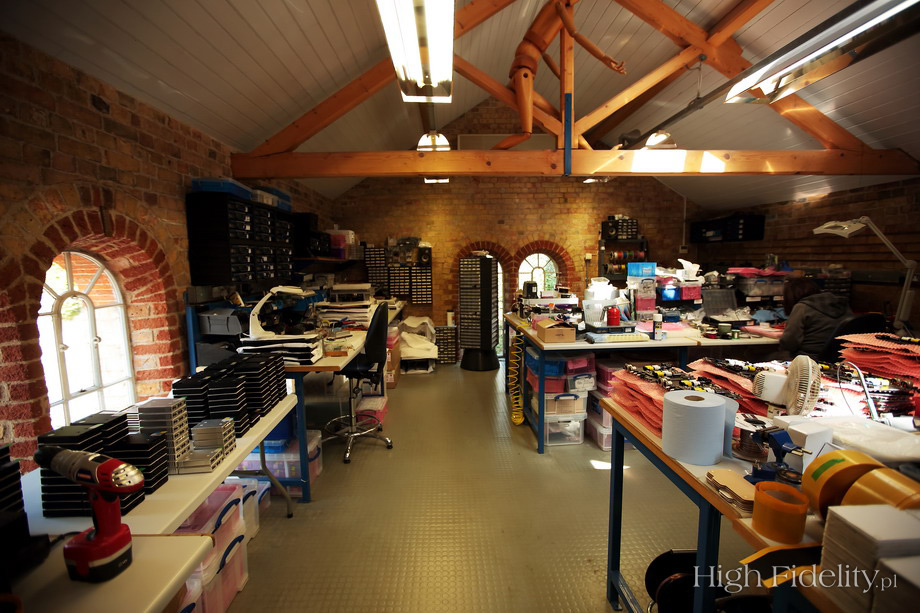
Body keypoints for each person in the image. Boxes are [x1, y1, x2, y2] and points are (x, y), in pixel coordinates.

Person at [779, 278, 852, 358]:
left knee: (771, 356)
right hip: (840, 357)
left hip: (807, 358)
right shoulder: (842, 304)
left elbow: (789, 343)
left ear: (791, 295)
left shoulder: (802, 307)